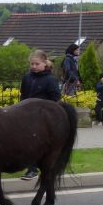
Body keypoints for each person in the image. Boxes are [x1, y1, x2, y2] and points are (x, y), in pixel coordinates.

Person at [19, 49, 61, 180]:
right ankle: (31, 167)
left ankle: (34, 169)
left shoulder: (50, 79)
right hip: (27, 114)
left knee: (36, 144)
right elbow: (23, 95)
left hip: (42, 117)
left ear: (44, 63)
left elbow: (55, 99)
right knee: (26, 142)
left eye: (37, 64)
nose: (34, 66)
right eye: (32, 64)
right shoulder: (27, 77)